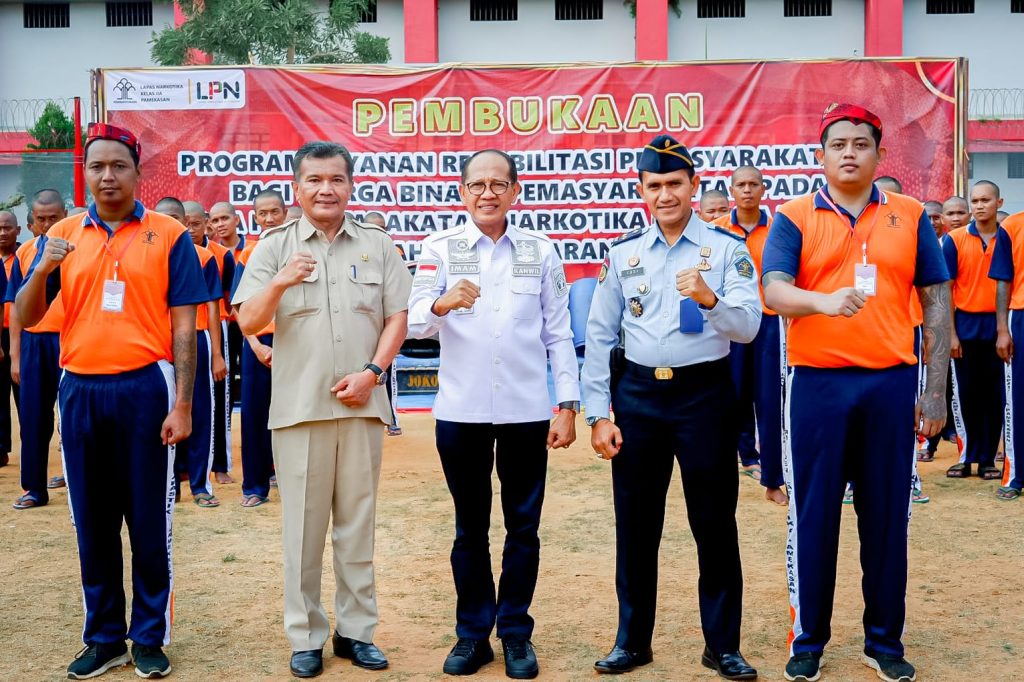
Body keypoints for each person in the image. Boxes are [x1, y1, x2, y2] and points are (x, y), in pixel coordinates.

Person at [761, 104, 950, 682]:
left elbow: (936, 297)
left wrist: (935, 390)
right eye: (838, 144)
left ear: (879, 153)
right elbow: (774, 290)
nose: (849, 152)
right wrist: (823, 301)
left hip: (890, 383)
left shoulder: (909, 214)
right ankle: (808, 641)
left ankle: (884, 642)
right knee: (814, 516)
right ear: (820, 155)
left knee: (887, 518)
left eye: (861, 144)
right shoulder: (794, 216)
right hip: (818, 384)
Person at [16, 123, 207, 679]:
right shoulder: (61, 236)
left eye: (118, 165)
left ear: (137, 172)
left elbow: (185, 325)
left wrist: (184, 404)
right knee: (93, 523)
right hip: (80, 389)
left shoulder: (169, 234)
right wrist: (44, 268)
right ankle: (103, 638)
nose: (107, 176)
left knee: (148, 521)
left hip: (147, 387)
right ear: (86, 174)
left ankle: (147, 636)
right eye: (96, 166)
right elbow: (26, 315)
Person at [582, 135, 760, 680]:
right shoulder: (623, 254)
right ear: (642, 190)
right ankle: (632, 642)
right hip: (638, 398)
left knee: (714, 523)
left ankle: (722, 646)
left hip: (704, 397)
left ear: (694, 186)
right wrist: (599, 414)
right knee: (636, 526)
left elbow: (749, 327)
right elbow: (599, 335)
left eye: (675, 184)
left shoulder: (727, 250)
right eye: (654, 185)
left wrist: (710, 299)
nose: (665, 195)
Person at [234, 142, 410, 678]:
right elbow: (248, 321)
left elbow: (397, 318)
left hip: (361, 406)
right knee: (303, 533)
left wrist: (373, 373)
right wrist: (281, 281)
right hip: (299, 411)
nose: (326, 189)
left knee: (357, 528)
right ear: (297, 188)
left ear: (350, 185)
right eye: (314, 180)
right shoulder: (273, 247)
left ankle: (356, 632)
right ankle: (305, 635)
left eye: (336, 179)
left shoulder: (377, 245)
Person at [408, 149, 580, 679]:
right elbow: (413, 322)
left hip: (526, 411)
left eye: (498, 184)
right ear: (462, 192)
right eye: (477, 184)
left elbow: (559, 332)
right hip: (461, 411)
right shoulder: (439, 248)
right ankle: (472, 636)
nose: (488, 193)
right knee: (470, 529)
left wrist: (568, 405)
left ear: (515, 191)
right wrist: (441, 304)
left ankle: (516, 633)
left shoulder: (540, 250)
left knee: (523, 528)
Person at [714, 165, 788, 506]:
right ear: (732, 190)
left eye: (753, 184)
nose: (747, 190)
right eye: (740, 185)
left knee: (770, 402)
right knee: (727, 399)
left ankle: (773, 479)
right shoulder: (716, 230)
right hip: (727, 322)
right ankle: (727, 468)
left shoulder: (777, 229)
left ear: (763, 189)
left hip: (768, 324)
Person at [157, 196, 226, 507]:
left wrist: (217, 353)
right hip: (159, 341)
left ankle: (200, 485)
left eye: (175, 218)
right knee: (162, 412)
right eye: (163, 217)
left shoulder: (202, 257)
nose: (169, 223)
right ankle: (169, 484)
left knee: (199, 411)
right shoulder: (147, 253)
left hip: (195, 340)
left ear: (185, 222)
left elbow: (212, 306)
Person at [943, 181, 1006, 481]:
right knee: (965, 393)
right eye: (976, 201)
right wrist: (951, 334)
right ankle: (966, 456)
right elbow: (946, 289)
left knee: (994, 395)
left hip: (999, 325)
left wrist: (1005, 330)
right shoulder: (954, 240)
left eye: (986, 200)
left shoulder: (1008, 238)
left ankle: (987, 459)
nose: (980, 206)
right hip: (965, 325)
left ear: (998, 203)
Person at [8, 189, 65, 508]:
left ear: (64, 215)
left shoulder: (79, 247)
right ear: (32, 220)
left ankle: (74, 476)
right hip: (34, 343)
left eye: (53, 218)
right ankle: (34, 487)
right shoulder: (26, 252)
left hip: (69, 339)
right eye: (41, 219)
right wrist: (16, 355)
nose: (47, 224)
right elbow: (16, 307)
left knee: (73, 416)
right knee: (32, 417)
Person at [230, 190, 287, 506]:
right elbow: (237, 305)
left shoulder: (301, 249)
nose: (269, 218)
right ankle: (254, 486)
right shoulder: (249, 253)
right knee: (254, 414)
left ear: (285, 212)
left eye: (274, 212)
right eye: (262, 213)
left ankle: (290, 477)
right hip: (259, 345)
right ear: (254, 217)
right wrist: (255, 345)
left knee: (296, 413)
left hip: (296, 341)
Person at [185, 201, 236, 484]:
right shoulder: (168, 251)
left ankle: (219, 464)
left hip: (212, 331)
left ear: (206, 223)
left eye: (195, 224)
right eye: (184, 224)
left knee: (217, 399)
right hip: (174, 333)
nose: (190, 230)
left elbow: (225, 299)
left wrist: (218, 352)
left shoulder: (219, 255)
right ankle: (182, 465)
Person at [991, 209, 1024, 500]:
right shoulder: (1012, 226)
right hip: (1020, 317)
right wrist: (1002, 329)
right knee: (1017, 399)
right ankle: (1014, 476)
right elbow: (1003, 280)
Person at [210, 201, 247, 405]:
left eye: (224, 218)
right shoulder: (211, 252)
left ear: (237, 219)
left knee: (251, 377)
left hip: (252, 324)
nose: (220, 224)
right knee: (226, 376)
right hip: (225, 326)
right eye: (215, 220)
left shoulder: (253, 247)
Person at [0, 210, 21, 468]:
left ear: (18, 230)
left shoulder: (25, 256)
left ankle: (32, 446)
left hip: (20, 334)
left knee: (24, 393)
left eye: (7, 227)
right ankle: (1, 448)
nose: (2, 233)